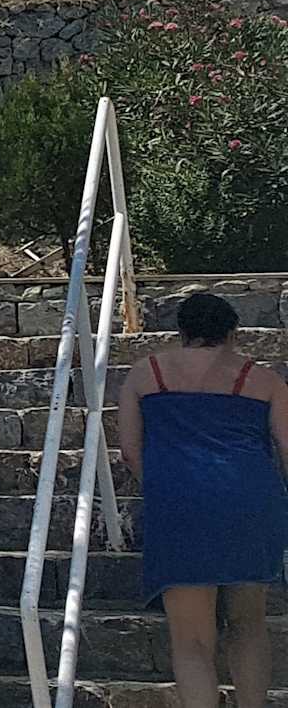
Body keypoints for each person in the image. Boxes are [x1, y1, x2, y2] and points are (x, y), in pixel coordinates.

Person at [119, 291, 288, 708]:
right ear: (232, 333)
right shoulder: (264, 380)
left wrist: (166, 489)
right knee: (248, 625)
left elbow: (130, 451)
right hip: (249, 500)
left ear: (182, 332)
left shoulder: (145, 374)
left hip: (179, 502)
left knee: (191, 639)